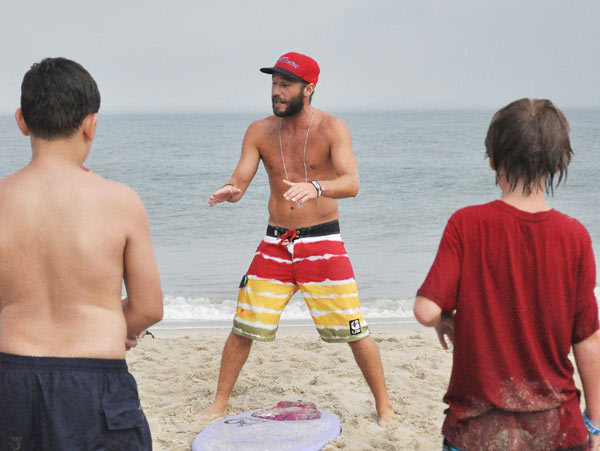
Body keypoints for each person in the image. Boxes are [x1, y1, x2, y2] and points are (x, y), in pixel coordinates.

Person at [204, 52, 394, 426]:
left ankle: (384, 406)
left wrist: (316, 186)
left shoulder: (332, 128)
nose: (277, 91)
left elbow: (352, 182)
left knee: (354, 330)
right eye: (274, 83)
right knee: (243, 326)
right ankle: (218, 404)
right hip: (275, 244)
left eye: (286, 84)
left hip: (322, 243)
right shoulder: (259, 131)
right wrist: (232, 190)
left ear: (309, 88)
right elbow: (240, 178)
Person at [413, 98, 600, 450]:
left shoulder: (466, 224)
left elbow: (426, 310)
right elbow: (587, 339)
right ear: (557, 164)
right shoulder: (575, 236)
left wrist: (444, 318)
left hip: (477, 430)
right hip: (556, 427)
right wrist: (596, 423)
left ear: (493, 160)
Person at [0, 57, 163, 450]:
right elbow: (148, 307)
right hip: (95, 381)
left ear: (22, 121)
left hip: (11, 377)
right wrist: (113, 326)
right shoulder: (120, 201)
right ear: (91, 124)